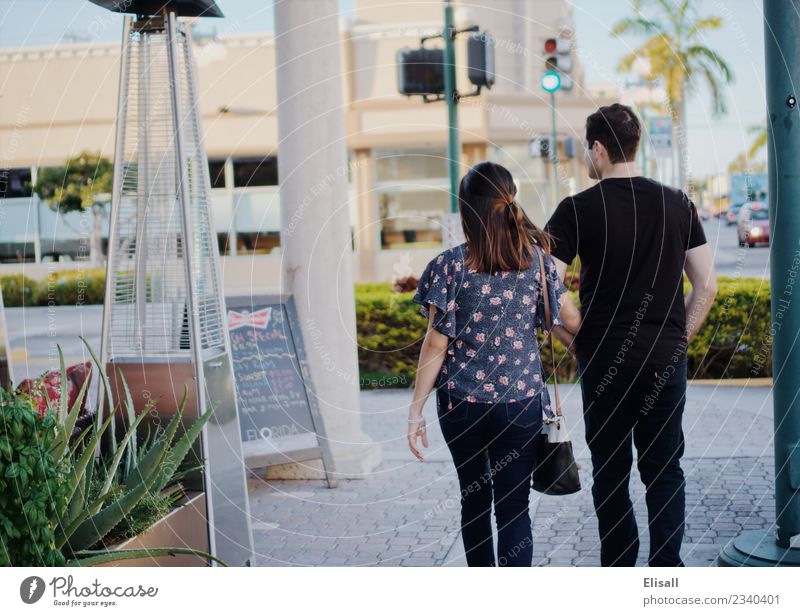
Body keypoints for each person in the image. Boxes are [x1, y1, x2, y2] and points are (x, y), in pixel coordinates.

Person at [545, 103, 717, 567]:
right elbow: (707, 285)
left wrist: (578, 337)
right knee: (664, 471)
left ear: (598, 148)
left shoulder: (577, 209)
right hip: (664, 361)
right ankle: (665, 574)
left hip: (605, 366)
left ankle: (619, 574)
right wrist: (679, 339)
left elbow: (544, 286)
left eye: (587, 148)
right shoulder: (678, 203)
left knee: (611, 473)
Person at [406, 161, 582, 567]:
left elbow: (435, 344)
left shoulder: (448, 267)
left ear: (467, 211)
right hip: (519, 404)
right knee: (514, 508)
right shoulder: (537, 262)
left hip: (460, 405)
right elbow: (569, 320)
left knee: (474, 500)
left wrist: (415, 412)